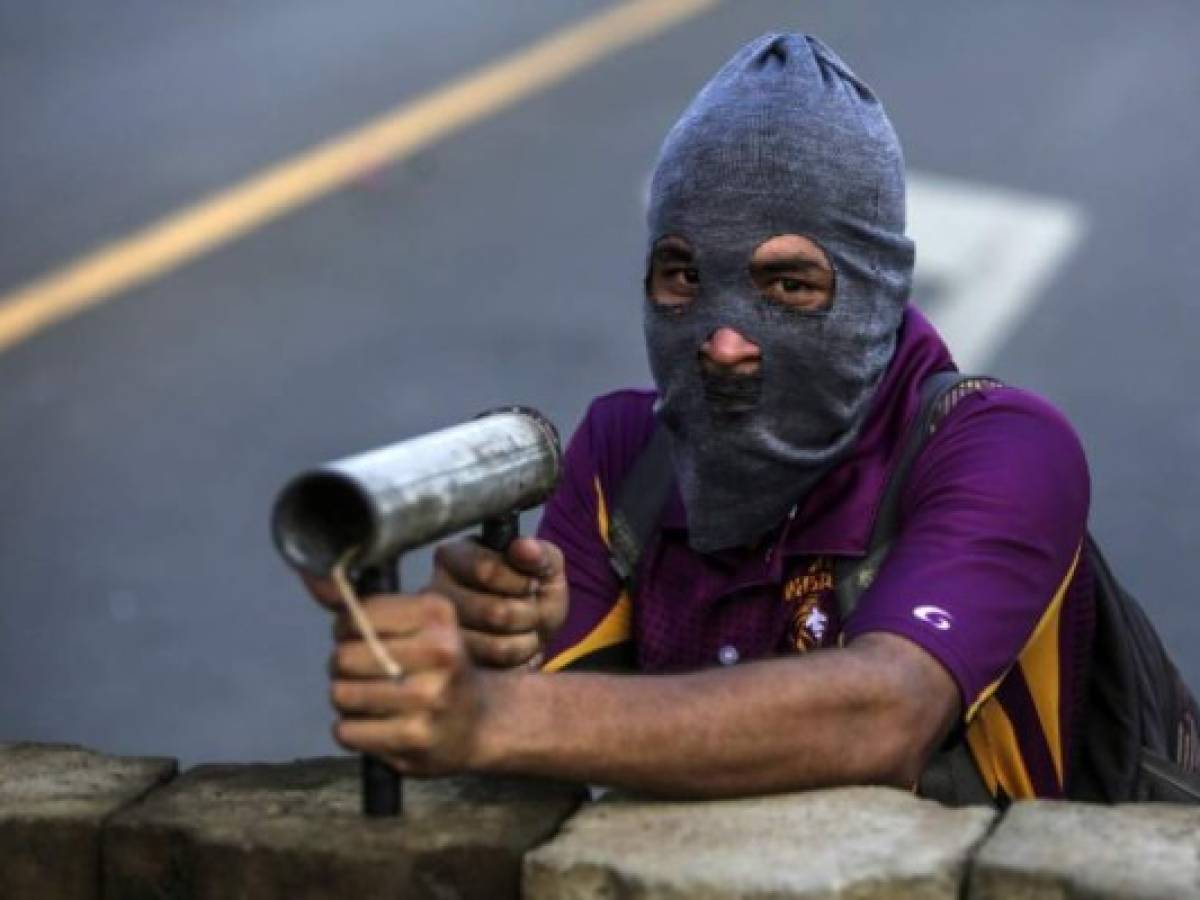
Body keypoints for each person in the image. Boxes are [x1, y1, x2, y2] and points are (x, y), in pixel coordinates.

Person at [305, 33, 1095, 803]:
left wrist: (493, 714)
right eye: (683, 277)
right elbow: (546, 753)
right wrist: (488, 652)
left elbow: (887, 715)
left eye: (786, 286)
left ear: (876, 291)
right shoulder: (626, 457)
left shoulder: (1003, 449)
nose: (721, 344)